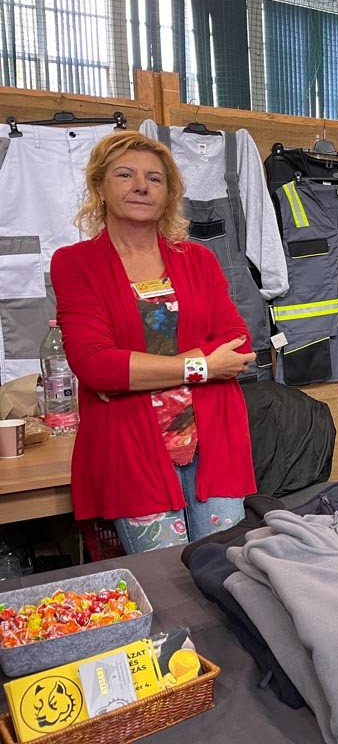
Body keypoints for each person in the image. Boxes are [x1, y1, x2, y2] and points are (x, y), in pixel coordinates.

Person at [51, 130, 257, 554]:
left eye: (155, 178)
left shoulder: (199, 260)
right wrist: (203, 366)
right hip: (132, 450)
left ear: (168, 195)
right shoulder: (75, 264)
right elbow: (95, 365)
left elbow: (237, 344)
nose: (141, 186)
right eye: (125, 174)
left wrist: (133, 373)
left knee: (227, 569)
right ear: (100, 187)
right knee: (165, 579)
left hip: (213, 442)